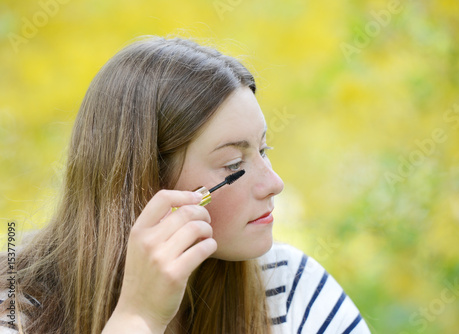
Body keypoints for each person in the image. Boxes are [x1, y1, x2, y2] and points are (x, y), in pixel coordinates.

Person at [0, 36, 371, 333]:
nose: (274, 183)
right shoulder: (13, 310)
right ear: (145, 184)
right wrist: (138, 318)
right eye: (232, 163)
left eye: (264, 149)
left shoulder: (289, 289)